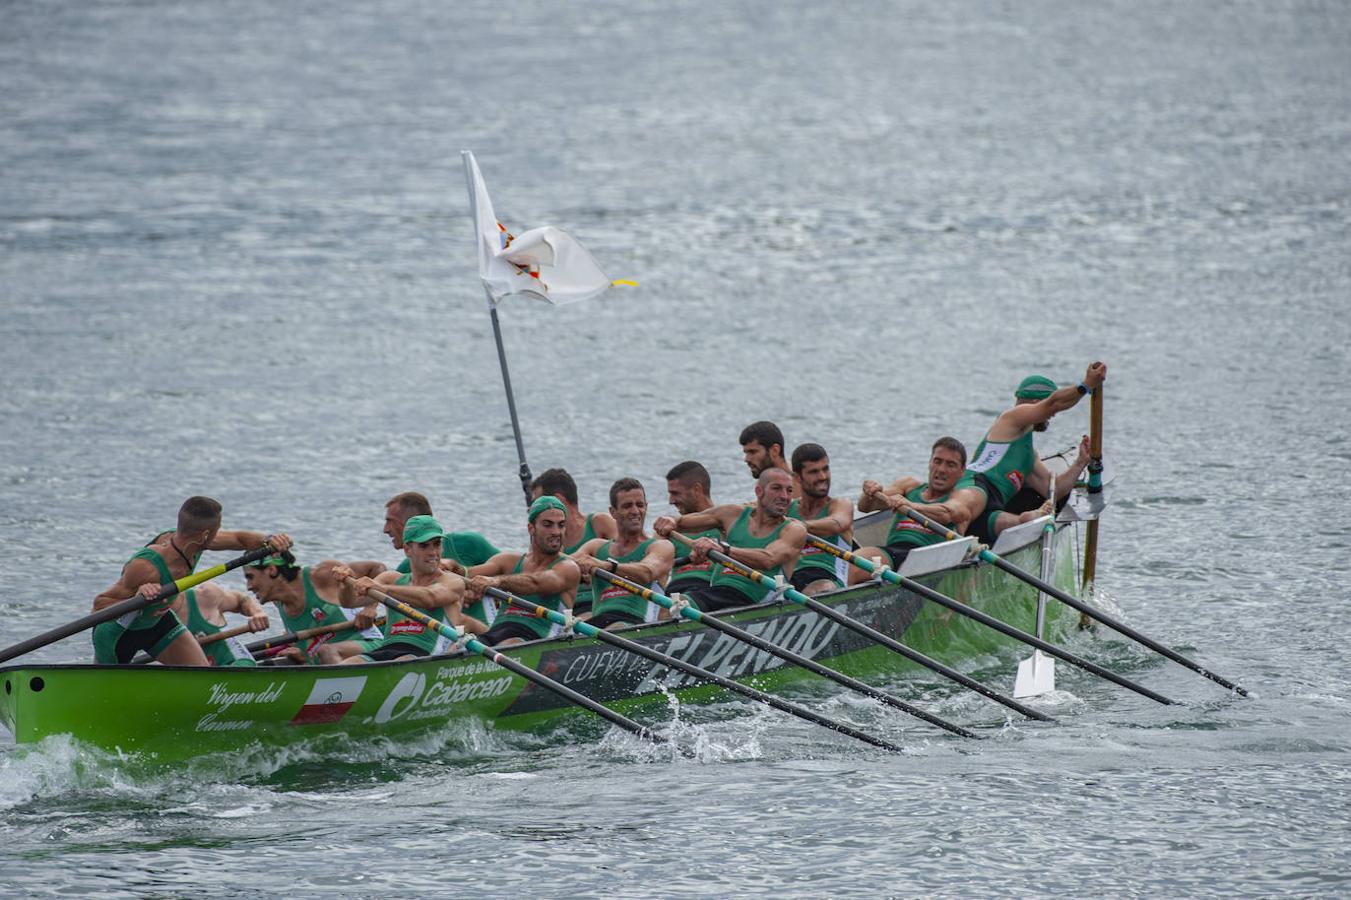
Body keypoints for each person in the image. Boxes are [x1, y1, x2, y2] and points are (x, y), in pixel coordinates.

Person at [91, 496, 292, 666]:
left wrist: (270, 540)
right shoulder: (146, 566)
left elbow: (240, 540)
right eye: (216, 530)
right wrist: (136, 599)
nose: (217, 535)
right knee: (102, 692)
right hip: (119, 631)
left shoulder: (196, 542)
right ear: (204, 534)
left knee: (201, 676)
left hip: (157, 623)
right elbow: (100, 605)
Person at [948, 363, 1105, 543]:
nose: (1051, 417)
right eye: (1047, 411)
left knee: (1014, 522)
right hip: (976, 486)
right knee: (956, 518)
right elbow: (1054, 404)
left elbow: (1052, 490)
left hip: (993, 506)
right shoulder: (1011, 418)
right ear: (1035, 404)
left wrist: (1080, 462)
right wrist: (1086, 385)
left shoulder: (1028, 454)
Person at [653, 467, 806, 612]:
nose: (785, 497)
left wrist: (724, 549)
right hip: (718, 592)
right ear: (759, 491)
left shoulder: (793, 529)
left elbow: (768, 559)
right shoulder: (732, 514)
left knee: (678, 605)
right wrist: (669, 521)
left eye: (789, 490)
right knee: (673, 605)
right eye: (776, 488)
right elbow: (682, 522)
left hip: (756, 601)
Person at [334, 515, 470, 664]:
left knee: (404, 661)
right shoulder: (391, 578)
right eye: (424, 546)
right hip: (388, 650)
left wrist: (383, 589)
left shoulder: (452, 581)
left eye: (437, 544)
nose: (433, 552)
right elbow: (350, 602)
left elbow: (430, 598)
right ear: (407, 549)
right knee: (347, 664)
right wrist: (344, 584)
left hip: (429, 655)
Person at [853, 436, 973, 582]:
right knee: (852, 564)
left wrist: (911, 506)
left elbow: (947, 513)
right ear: (930, 463)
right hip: (894, 553)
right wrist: (869, 492)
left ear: (962, 471)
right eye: (937, 461)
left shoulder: (961, 496)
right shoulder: (908, 486)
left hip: (933, 564)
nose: (941, 469)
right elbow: (866, 507)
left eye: (950, 465)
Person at [467, 496, 581, 646]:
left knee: (510, 643)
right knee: (456, 648)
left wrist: (497, 581)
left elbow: (536, 583)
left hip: (537, 640)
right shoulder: (509, 560)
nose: (556, 531)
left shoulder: (568, 568)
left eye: (561, 525)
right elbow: (466, 574)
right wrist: (449, 568)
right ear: (531, 528)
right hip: (495, 634)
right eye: (548, 525)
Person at [243, 552, 389, 664]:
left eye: (250, 577)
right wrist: (303, 655)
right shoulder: (279, 603)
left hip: (371, 649)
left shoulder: (320, 575)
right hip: (331, 660)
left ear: (271, 570)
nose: (248, 587)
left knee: (326, 651)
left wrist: (370, 608)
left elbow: (377, 569)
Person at [570, 478, 674, 628]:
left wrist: (605, 566)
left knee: (617, 627)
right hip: (599, 623)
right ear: (613, 512)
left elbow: (647, 572)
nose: (635, 511)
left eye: (640, 505)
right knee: (574, 628)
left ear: (646, 507)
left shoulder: (660, 547)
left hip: (637, 625)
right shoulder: (596, 547)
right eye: (627, 506)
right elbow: (564, 565)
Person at [786, 443, 854, 594]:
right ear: (797, 477)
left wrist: (796, 527)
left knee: (819, 590)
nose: (823, 477)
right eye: (814, 472)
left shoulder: (840, 505)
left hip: (828, 579)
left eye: (825, 469)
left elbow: (837, 523)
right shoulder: (787, 509)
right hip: (789, 581)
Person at [383, 491, 500, 574]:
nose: (386, 529)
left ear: (410, 522)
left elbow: (514, 570)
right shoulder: (404, 570)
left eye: (390, 521)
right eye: (423, 546)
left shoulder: (469, 543)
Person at [664, 460, 723, 597]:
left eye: (676, 493)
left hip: (711, 592)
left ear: (697, 489)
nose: (671, 501)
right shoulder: (669, 531)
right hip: (674, 594)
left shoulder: (726, 525)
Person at [179, 582, 271, 667]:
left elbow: (240, 599)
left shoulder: (204, 596)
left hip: (236, 665)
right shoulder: (165, 616)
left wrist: (258, 613)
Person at [529, 468, 617, 555]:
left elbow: (626, 553)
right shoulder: (543, 542)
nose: (531, 509)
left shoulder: (600, 523)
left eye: (538, 504)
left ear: (559, 500)